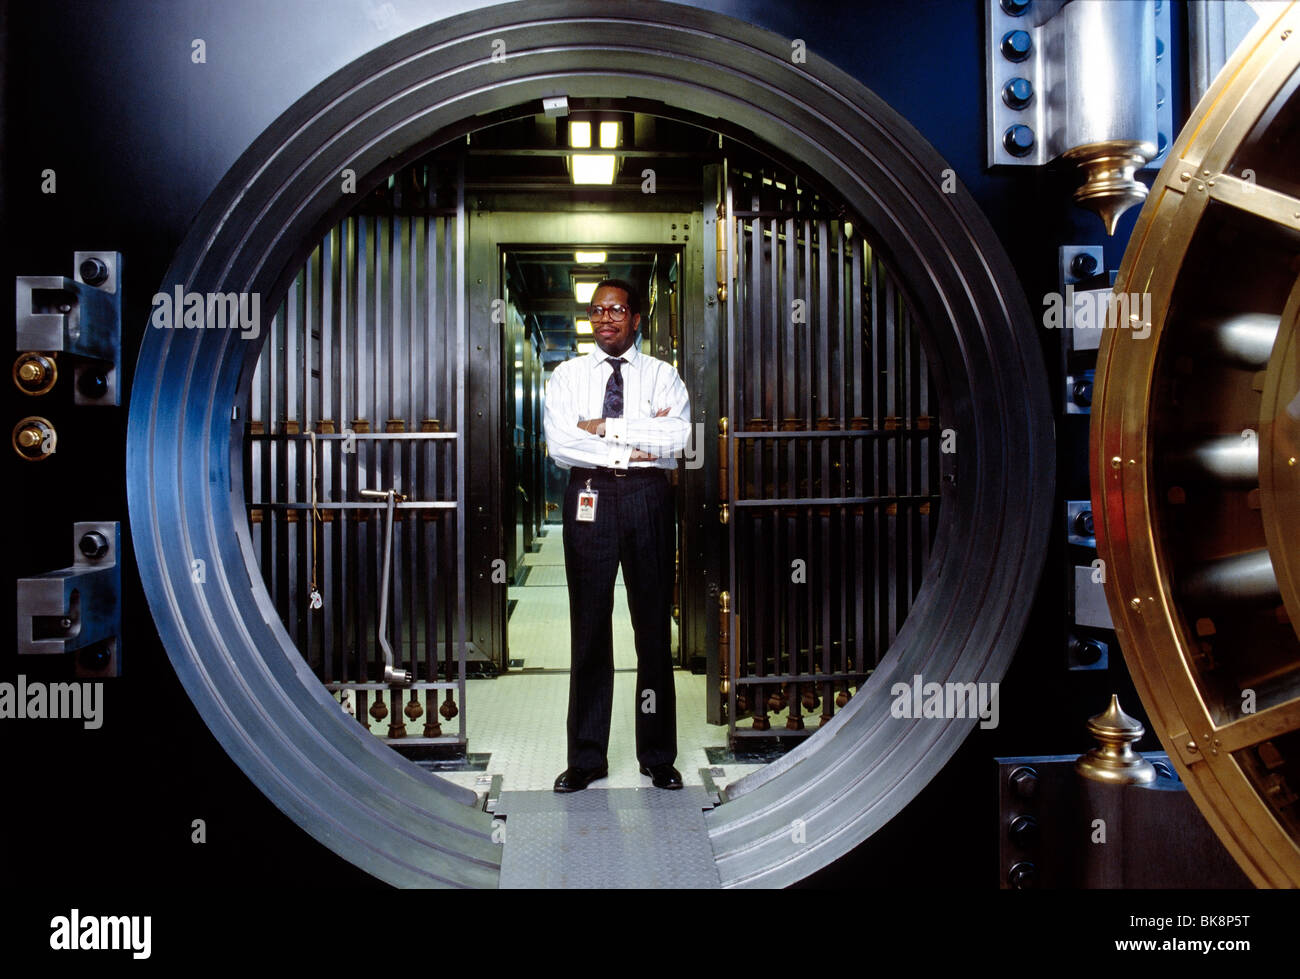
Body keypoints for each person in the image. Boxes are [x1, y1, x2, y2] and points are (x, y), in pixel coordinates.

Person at [542, 278, 692, 792]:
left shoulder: (663, 376)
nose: (605, 318)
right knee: (589, 627)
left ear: (636, 317)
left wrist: (604, 428)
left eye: (616, 310)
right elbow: (561, 445)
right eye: (596, 310)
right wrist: (637, 439)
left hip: (649, 498)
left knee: (652, 630)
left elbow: (678, 439)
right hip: (589, 497)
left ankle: (658, 755)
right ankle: (586, 758)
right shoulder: (566, 376)